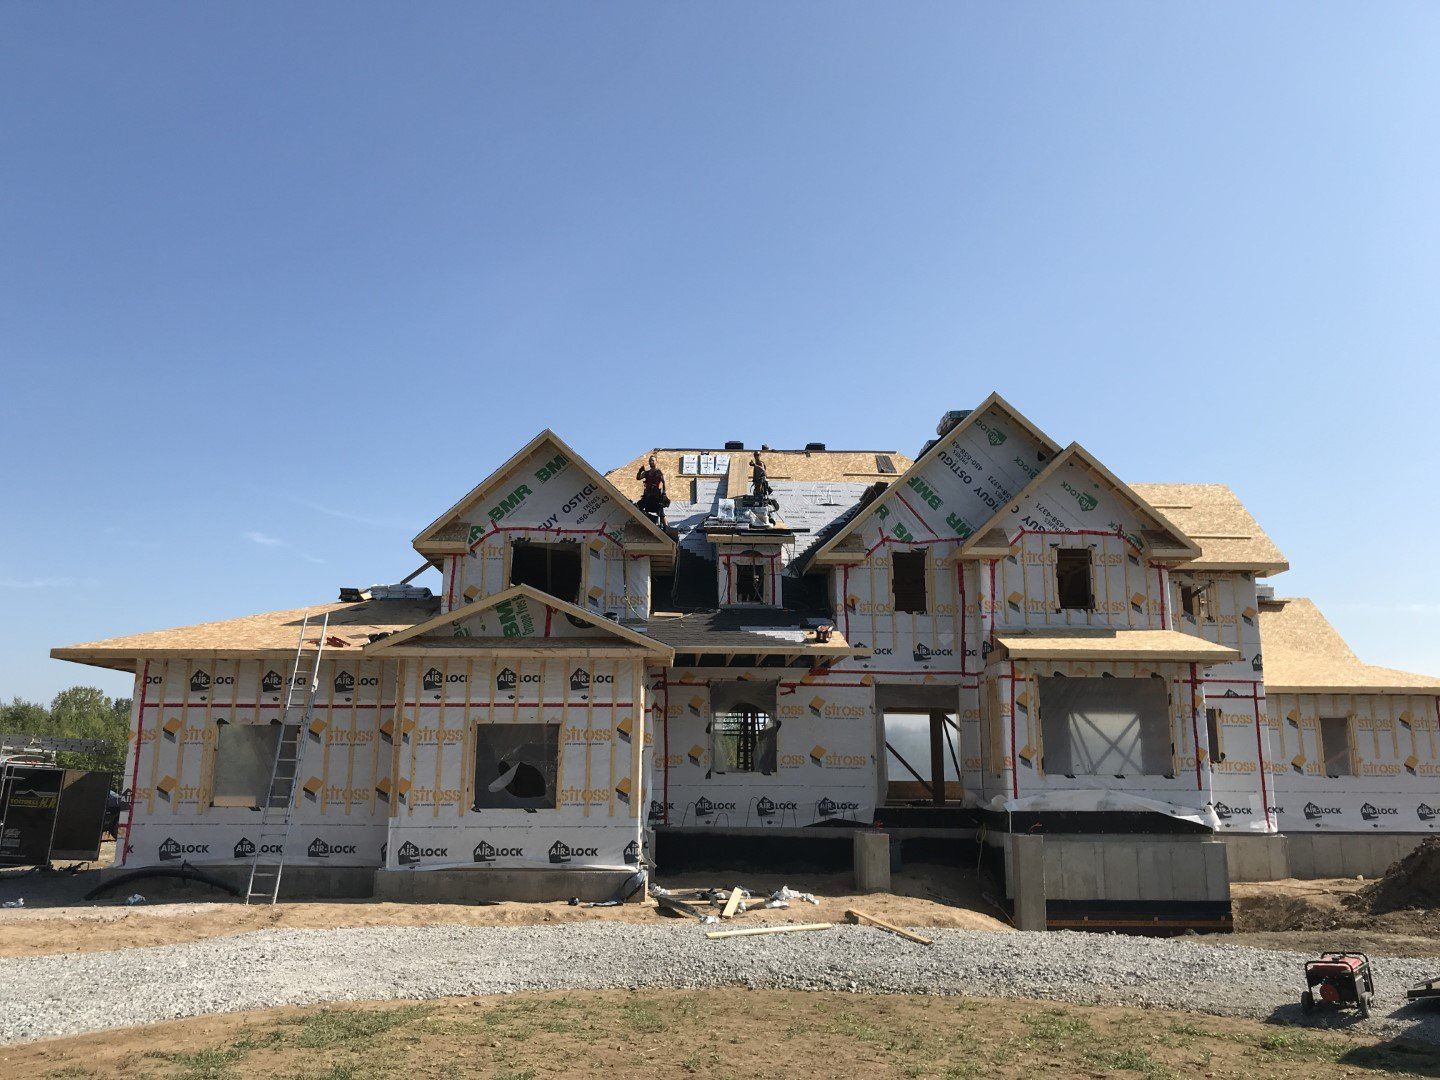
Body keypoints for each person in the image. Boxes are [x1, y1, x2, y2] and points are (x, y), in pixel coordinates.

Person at [635, 455, 669, 527]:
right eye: (650, 461)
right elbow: (638, 478)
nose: (651, 462)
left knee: (661, 512)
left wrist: (664, 493)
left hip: (656, 495)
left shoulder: (659, 472)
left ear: (656, 462)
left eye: (653, 460)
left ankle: (667, 528)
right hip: (647, 495)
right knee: (637, 507)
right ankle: (652, 519)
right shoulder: (647, 473)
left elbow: (664, 482)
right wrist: (640, 471)